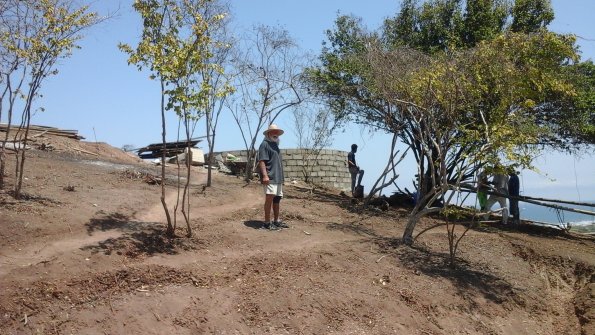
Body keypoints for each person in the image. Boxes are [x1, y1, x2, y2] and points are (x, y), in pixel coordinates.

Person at [257, 124, 289, 230]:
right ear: (268, 133)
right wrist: (265, 176)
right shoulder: (264, 144)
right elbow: (261, 161)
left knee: (277, 199)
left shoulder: (275, 144)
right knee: (269, 198)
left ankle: (276, 221)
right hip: (270, 177)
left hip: (278, 177)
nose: (275, 134)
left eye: (277, 132)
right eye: (273, 132)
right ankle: (266, 222)